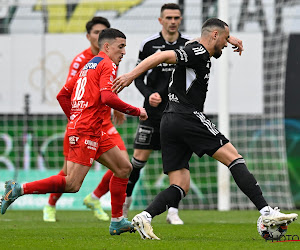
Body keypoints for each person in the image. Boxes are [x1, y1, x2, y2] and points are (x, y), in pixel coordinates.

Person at [112, 18, 298, 240]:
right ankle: (266, 213)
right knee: (234, 158)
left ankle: (145, 216)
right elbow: (161, 56)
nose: (226, 46)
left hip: (169, 120)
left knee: (180, 185)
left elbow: (203, 40)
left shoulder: (193, 45)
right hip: (186, 116)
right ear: (214, 36)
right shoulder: (198, 52)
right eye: (224, 40)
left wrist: (230, 37)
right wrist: (130, 76)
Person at [0, 28, 148, 236]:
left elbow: (63, 95)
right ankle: (17, 189)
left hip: (91, 128)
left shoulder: (89, 65)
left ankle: (117, 221)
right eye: (121, 47)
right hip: (86, 130)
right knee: (72, 184)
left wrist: (76, 117)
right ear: (106, 46)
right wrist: (137, 111)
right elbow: (107, 98)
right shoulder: (107, 64)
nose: (124, 52)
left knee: (124, 168)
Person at [43, 16, 129, 223]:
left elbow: (108, 89)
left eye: (104, 31)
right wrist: (76, 118)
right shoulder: (82, 61)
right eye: (97, 32)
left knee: (124, 163)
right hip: (84, 123)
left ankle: (95, 198)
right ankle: (51, 204)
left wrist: (116, 106)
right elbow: (70, 91)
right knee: (68, 174)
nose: (100, 35)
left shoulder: (112, 59)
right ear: (89, 36)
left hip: (104, 123)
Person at [123, 3, 190, 225]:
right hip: (151, 114)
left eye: (176, 17)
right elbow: (139, 77)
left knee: (175, 163)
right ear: (160, 20)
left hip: (177, 113)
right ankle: (125, 204)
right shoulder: (149, 45)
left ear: (180, 19)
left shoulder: (187, 45)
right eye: (168, 17)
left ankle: (173, 212)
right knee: (137, 162)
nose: (173, 21)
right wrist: (149, 94)